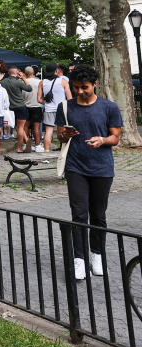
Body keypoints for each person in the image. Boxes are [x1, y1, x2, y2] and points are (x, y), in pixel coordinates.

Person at [56, 65, 122, 280]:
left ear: (95, 84)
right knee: (79, 213)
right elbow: (60, 136)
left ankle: (97, 255)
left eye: (84, 87)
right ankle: (79, 259)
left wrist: (102, 140)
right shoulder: (65, 106)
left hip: (102, 167)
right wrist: (65, 135)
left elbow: (115, 137)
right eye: (76, 87)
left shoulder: (109, 107)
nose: (80, 91)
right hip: (76, 167)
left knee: (98, 214)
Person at [39, 63, 72, 151]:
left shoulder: (42, 82)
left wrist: (46, 102)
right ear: (56, 71)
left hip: (48, 110)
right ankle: (64, 150)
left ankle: (46, 151)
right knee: (62, 131)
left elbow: (39, 99)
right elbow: (69, 98)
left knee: (48, 131)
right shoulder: (63, 81)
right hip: (61, 109)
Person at [1, 66, 33, 153]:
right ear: (16, 73)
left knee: (17, 127)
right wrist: (24, 78)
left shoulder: (3, 82)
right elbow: (29, 89)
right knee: (20, 127)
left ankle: (26, 140)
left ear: (9, 73)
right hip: (21, 106)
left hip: (10, 108)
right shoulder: (18, 82)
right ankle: (20, 147)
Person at [23, 67, 45, 152]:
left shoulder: (23, 82)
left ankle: (25, 144)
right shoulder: (39, 82)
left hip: (26, 106)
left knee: (26, 126)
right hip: (36, 106)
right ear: (33, 73)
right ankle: (37, 145)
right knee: (36, 127)